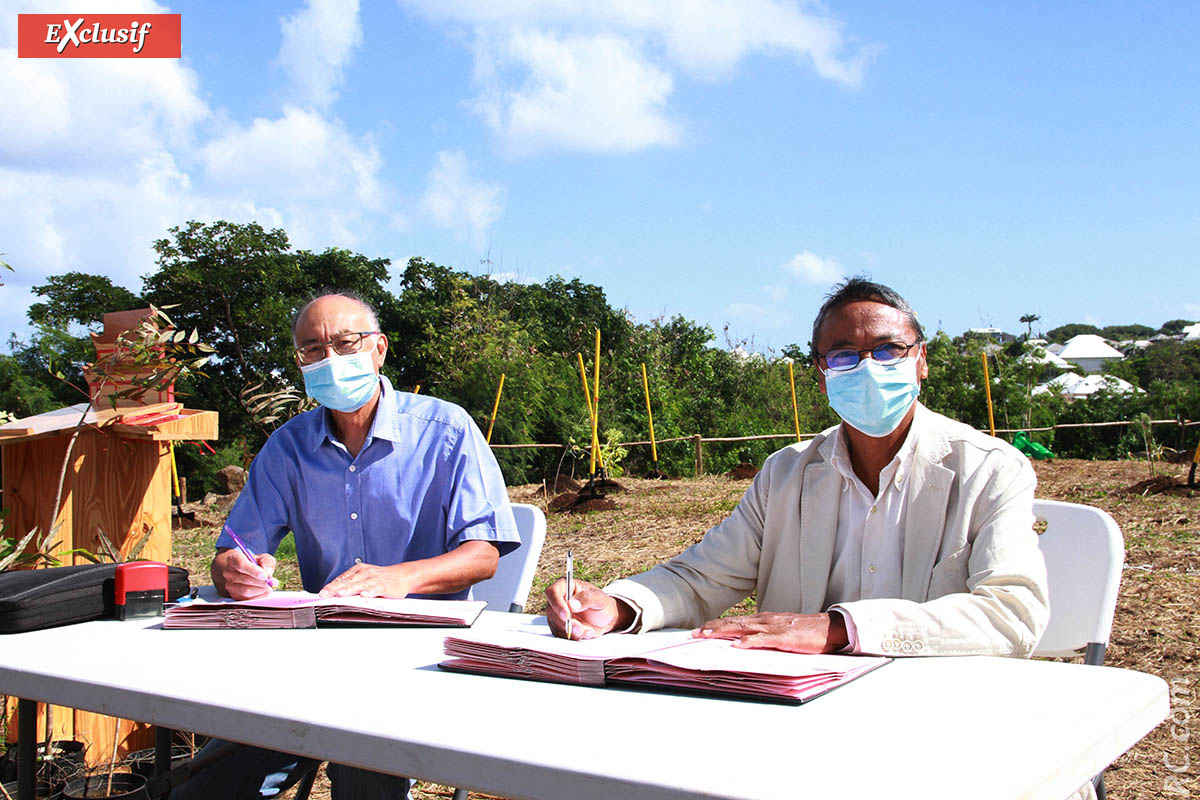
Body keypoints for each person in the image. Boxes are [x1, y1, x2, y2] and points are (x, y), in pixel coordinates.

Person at [546, 277, 1049, 658]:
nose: (870, 366)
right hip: (799, 714)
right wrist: (619, 606)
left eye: (889, 349)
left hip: (939, 716)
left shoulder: (990, 469)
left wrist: (838, 629)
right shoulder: (786, 473)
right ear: (821, 372)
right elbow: (701, 578)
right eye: (846, 355)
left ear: (921, 360)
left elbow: (1012, 614)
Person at [173, 292, 519, 800]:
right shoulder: (287, 447)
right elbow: (233, 550)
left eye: (344, 343)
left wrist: (398, 578)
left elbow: (483, 554)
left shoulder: (446, 430)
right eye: (312, 349)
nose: (329, 360)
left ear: (378, 350)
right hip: (319, 652)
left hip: (419, 657)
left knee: (364, 768)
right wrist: (236, 568)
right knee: (208, 783)